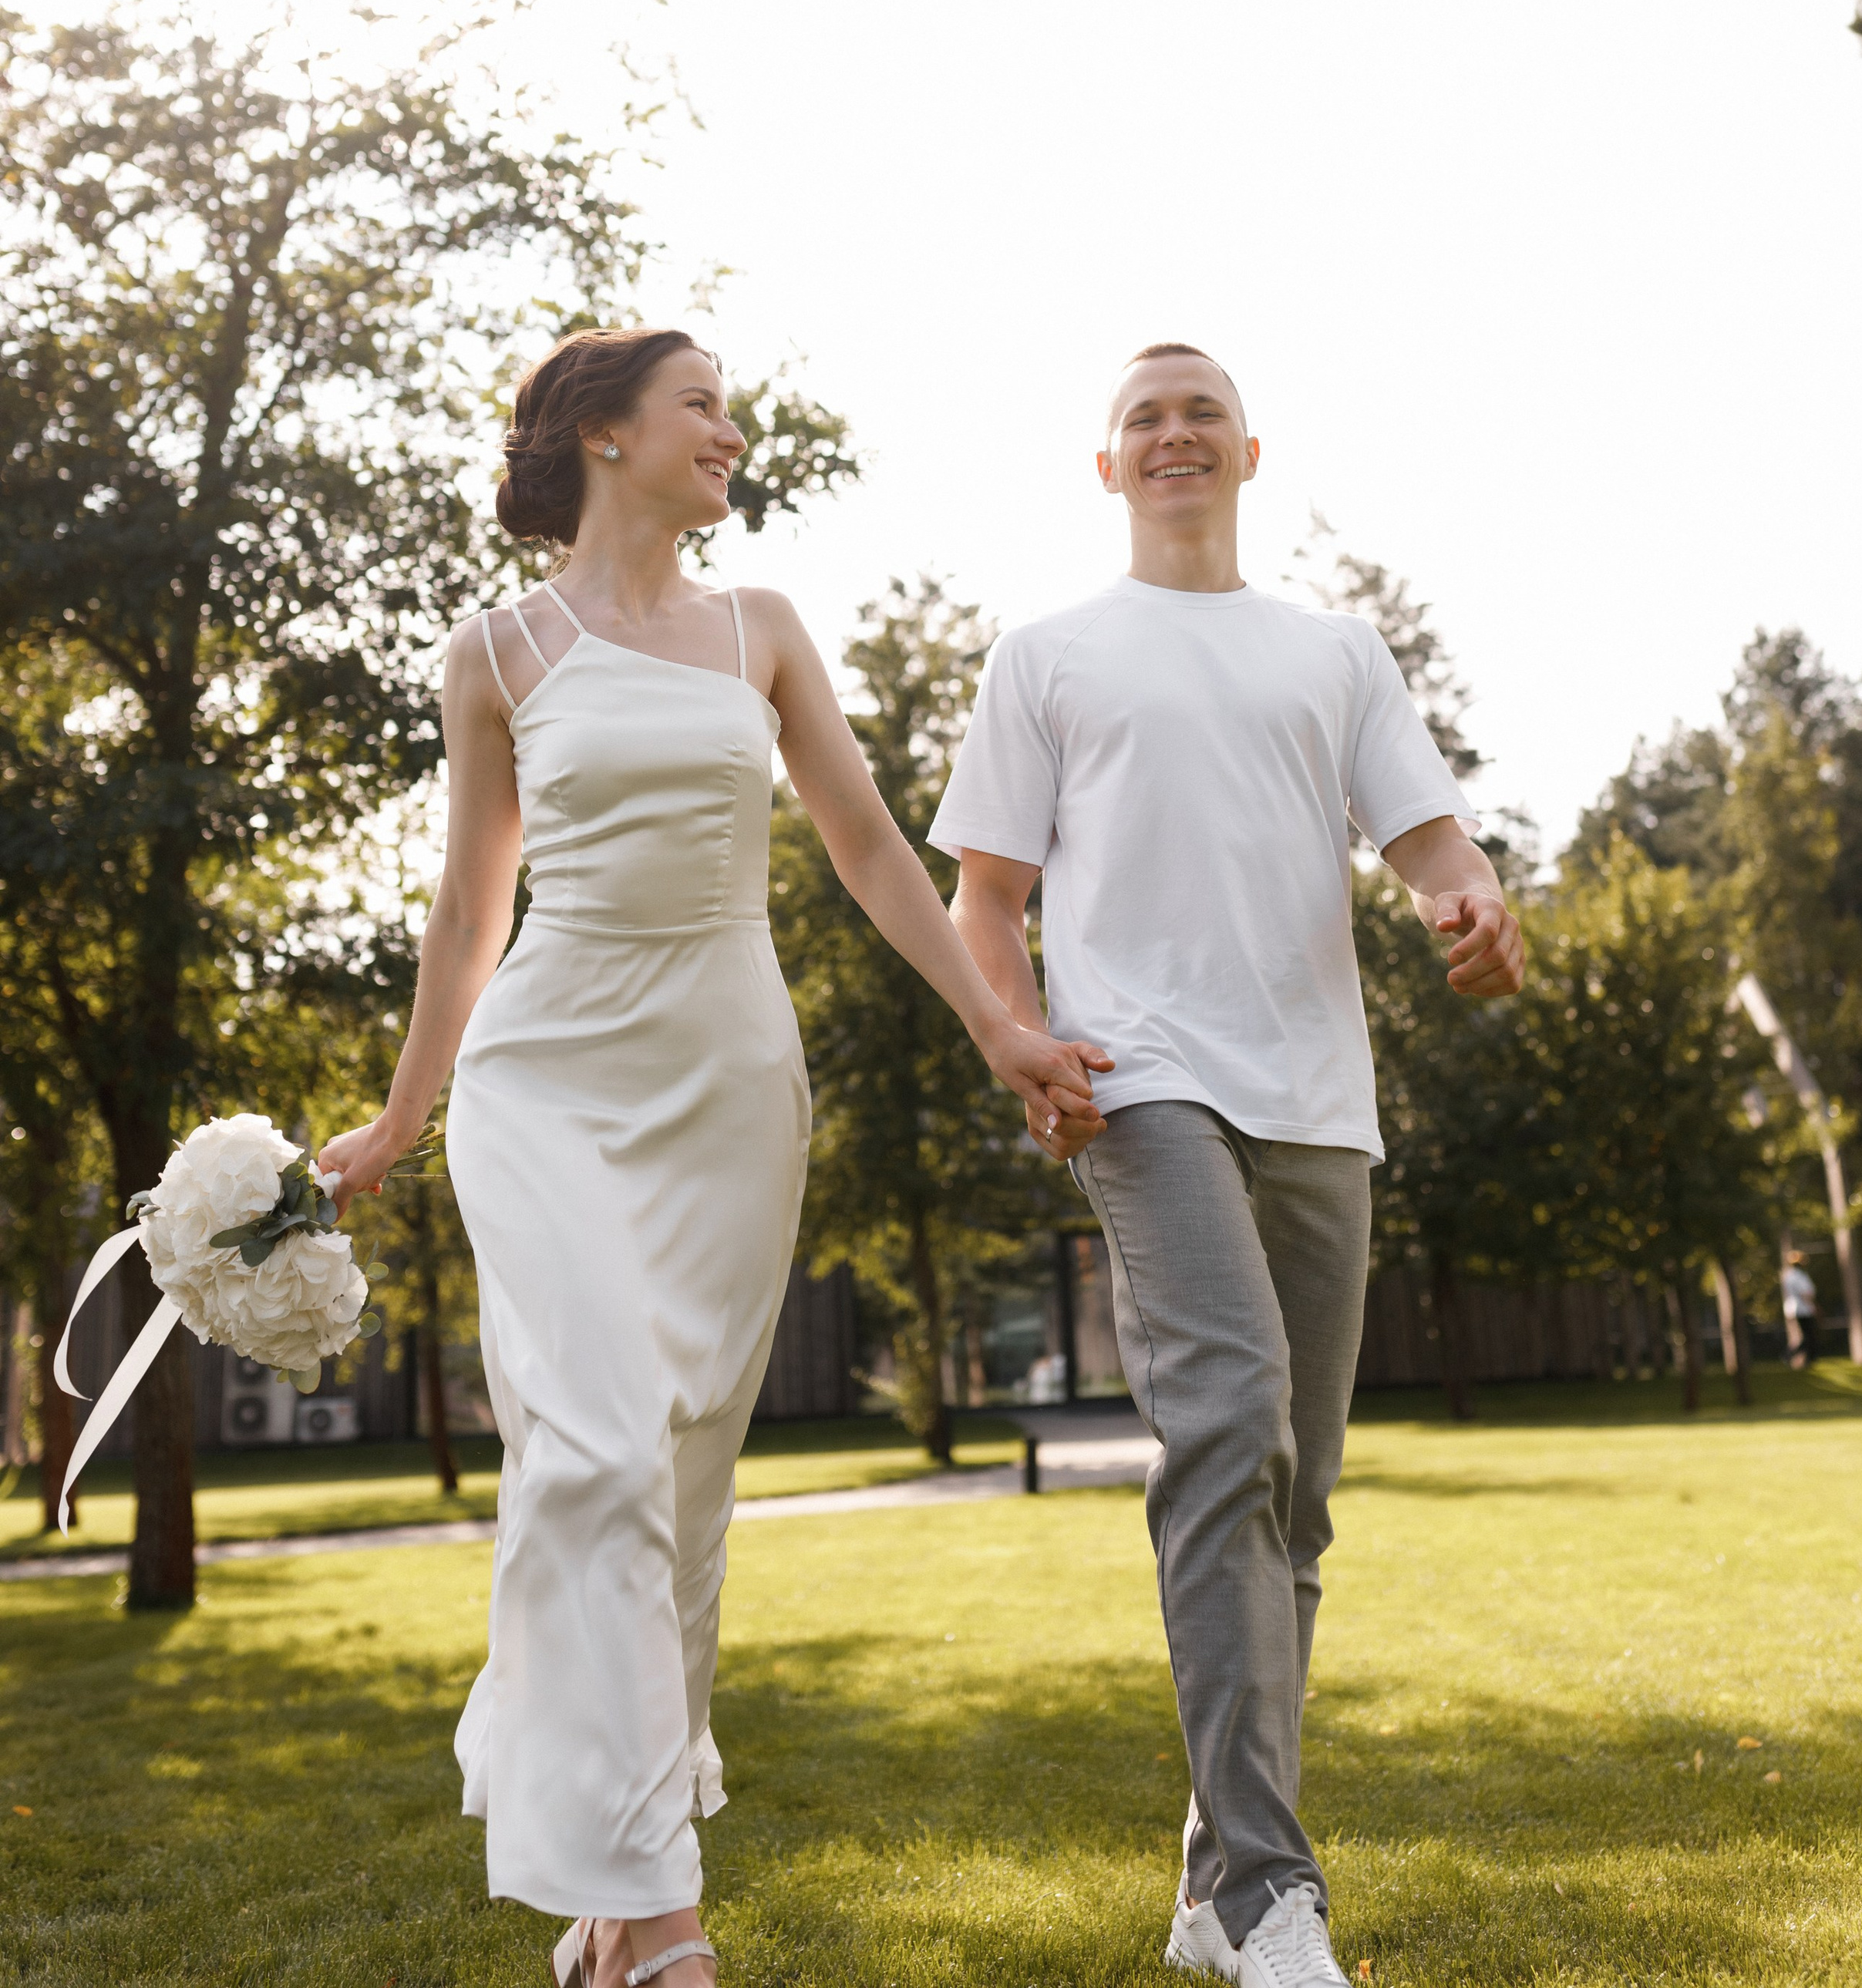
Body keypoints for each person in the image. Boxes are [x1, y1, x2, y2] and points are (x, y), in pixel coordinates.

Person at [318, 326, 1106, 1988]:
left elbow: (869, 847)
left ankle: (609, 1927)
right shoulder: (499, 649)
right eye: (703, 406)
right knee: (592, 1447)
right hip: (546, 1079)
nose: (729, 433)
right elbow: (471, 908)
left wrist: (997, 1028)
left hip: (730, 1083)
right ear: (606, 435)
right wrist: (405, 1115)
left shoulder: (760, 632)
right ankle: (661, 1917)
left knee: (676, 1488)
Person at [932, 342, 1524, 1988]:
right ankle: (1272, 1894)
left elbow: (1427, 843)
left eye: (1199, 410)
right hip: (1139, 1076)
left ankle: (1208, 1891)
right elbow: (985, 899)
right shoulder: (1046, 654)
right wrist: (1023, 1037)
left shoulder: (1332, 651)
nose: (1173, 431)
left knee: (1296, 1503)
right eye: (1143, 416)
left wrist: (1469, 909)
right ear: (1105, 468)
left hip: (1318, 1094)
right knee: (1227, 1425)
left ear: (1248, 453)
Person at [1780, 1246, 1820, 1367]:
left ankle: (1808, 1359)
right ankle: (1790, 1355)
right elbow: (1805, 1294)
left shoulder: (1788, 1276)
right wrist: (1813, 1306)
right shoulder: (1799, 1276)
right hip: (1803, 1309)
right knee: (1809, 1336)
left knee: (1808, 1336)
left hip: (1795, 1309)